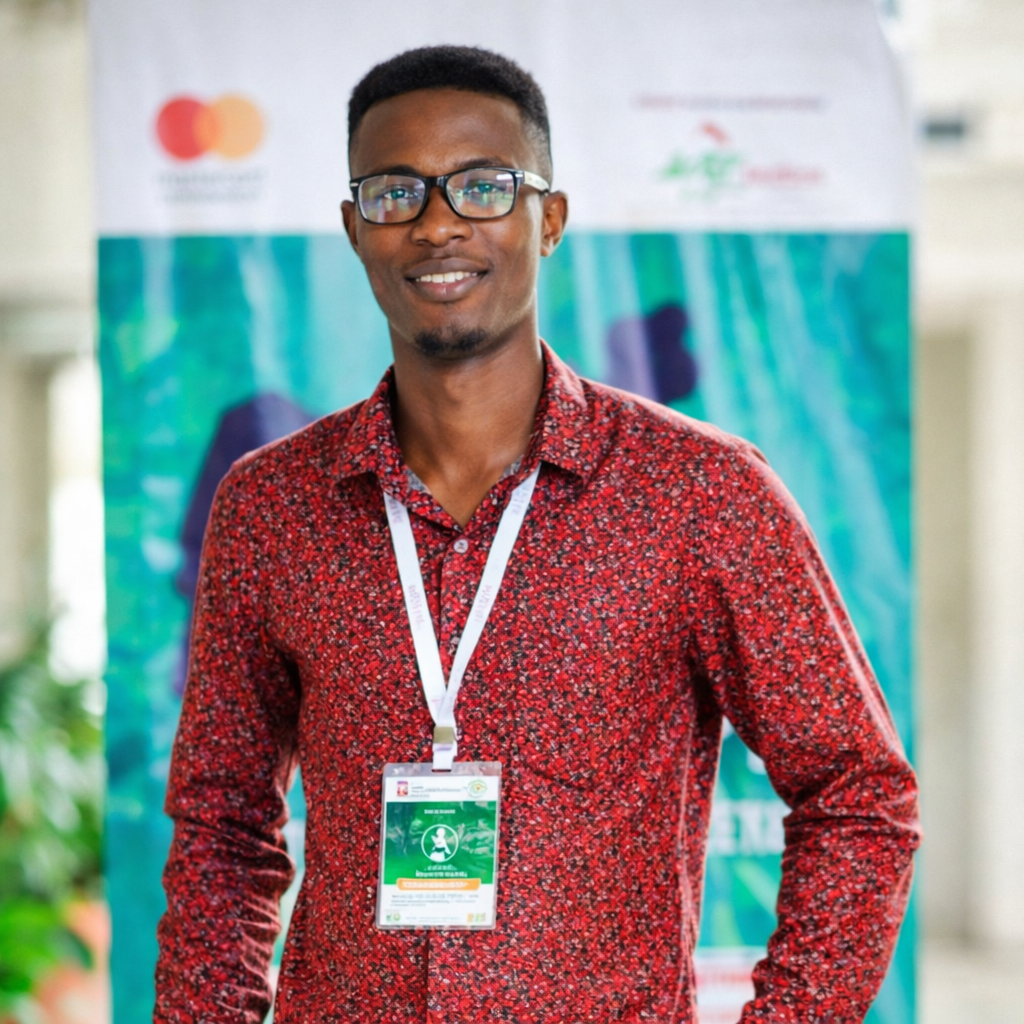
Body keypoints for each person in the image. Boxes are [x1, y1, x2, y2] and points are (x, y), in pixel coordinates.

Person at [155, 44, 920, 1024]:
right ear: (355, 229)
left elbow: (858, 792)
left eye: (482, 186)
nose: (437, 223)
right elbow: (221, 823)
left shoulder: (699, 494)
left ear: (548, 219)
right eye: (395, 193)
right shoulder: (273, 507)